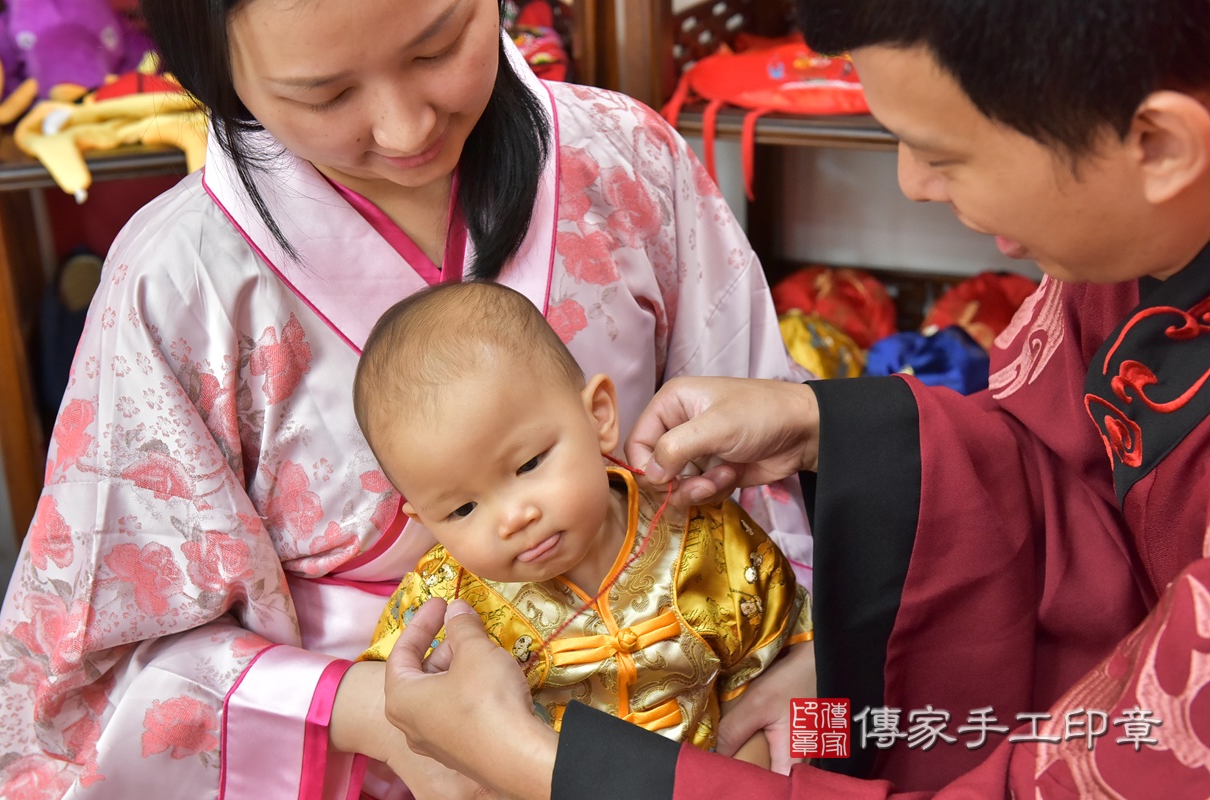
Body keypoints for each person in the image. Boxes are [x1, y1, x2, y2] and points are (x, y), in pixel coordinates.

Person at [0, 1, 816, 797]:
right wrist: (372, 711)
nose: (407, 127)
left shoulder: (625, 157)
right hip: (377, 754)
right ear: (215, 72)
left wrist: (805, 687)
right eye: (327, 92)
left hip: (711, 702)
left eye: (438, 46)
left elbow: (774, 488)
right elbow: (92, 670)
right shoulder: (175, 280)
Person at [377, 0, 1210, 797]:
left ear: (1160, 143)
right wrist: (826, 430)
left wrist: (546, 768)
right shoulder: (1129, 252)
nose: (912, 183)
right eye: (458, 507)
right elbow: (1063, 490)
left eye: (943, 153)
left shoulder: (707, 544)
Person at [351, 281, 814, 767]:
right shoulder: (443, 603)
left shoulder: (702, 530)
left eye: (529, 464)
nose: (513, 519)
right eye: (461, 510)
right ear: (424, 520)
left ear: (598, 416)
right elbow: (414, 717)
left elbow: (774, 669)